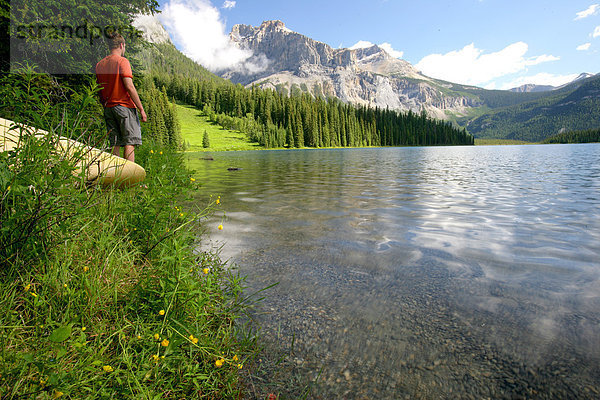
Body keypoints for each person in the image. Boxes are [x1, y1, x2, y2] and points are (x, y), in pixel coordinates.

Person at [95, 32, 147, 162]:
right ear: (121, 45)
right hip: (124, 107)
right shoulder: (122, 61)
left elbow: (99, 89)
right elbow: (129, 86)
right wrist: (141, 109)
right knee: (130, 141)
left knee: (115, 143)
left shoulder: (100, 65)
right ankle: (129, 180)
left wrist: (105, 105)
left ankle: (115, 178)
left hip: (108, 108)